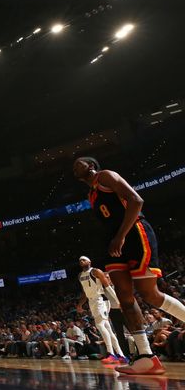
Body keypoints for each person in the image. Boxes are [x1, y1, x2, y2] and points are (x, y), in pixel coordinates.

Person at [73, 157, 185, 375]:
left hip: (134, 233)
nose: (75, 164)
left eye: (80, 161)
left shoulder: (104, 176)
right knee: (125, 299)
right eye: (73, 165)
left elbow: (136, 201)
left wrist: (121, 236)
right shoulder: (91, 194)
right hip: (114, 243)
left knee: (150, 295)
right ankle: (146, 356)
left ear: (92, 165)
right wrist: (114, 239)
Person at [75, 256, 127, 363]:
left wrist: (118, 301)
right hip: (91, 301)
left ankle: (111, 353)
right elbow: (85, 292)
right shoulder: (80, 275)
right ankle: (121, 355)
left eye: (84, 259)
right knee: (107, 329)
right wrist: (80, 305)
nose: (81, 261)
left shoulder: (95, 271)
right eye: (80, 260)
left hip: (101, 300)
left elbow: (107, 286)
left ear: (89, 261)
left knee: (99, 325)